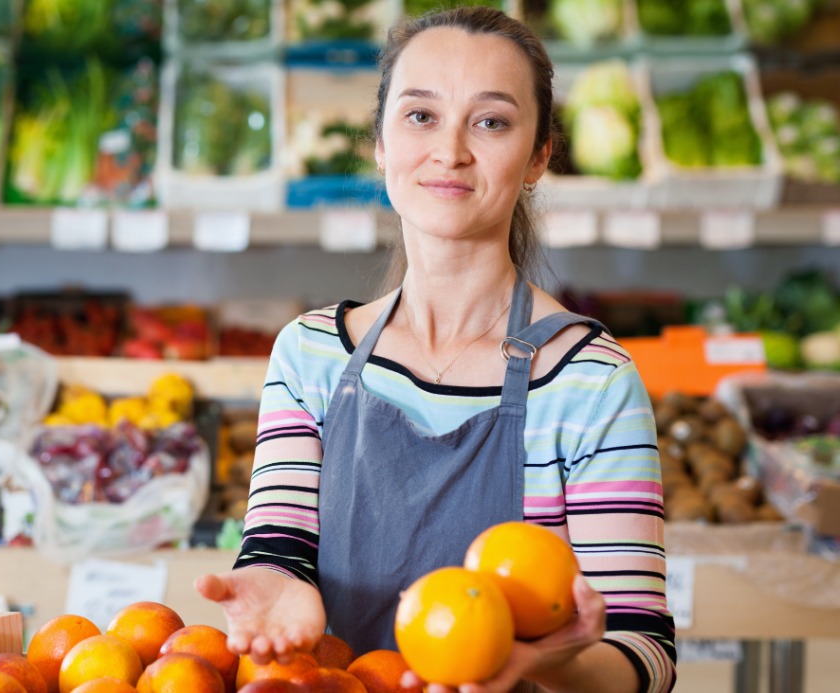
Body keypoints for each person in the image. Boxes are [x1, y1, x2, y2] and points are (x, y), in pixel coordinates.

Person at [195, 7, 676, 693]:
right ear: (381, 143)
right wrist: (270, 589)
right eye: (421, 115)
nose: (449, 150)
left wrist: (547, 666)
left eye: (491, 121)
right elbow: (278, 553)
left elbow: (645, 654)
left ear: (540, 154)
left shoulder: (590, 381)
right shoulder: (310, 357)